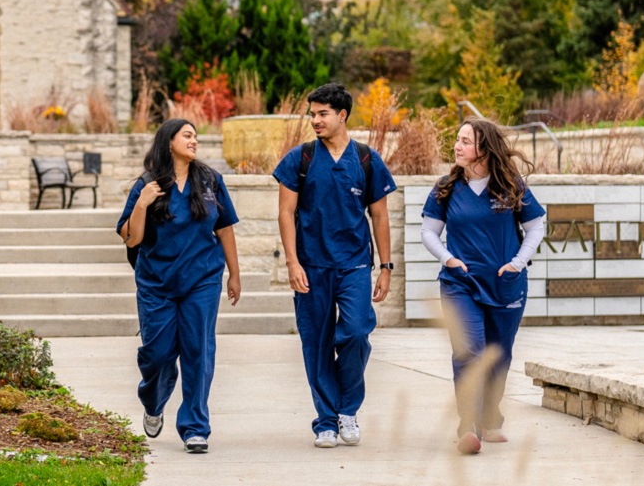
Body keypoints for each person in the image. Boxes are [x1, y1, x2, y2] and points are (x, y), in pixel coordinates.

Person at [273, 83, 396, 449]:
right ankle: (326, 421)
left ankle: (347, 410)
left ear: (342, 115)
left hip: (354, 264)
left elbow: (380, 215)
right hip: (310, 266)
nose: (315, 120)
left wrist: (386, 267)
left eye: (322, 113)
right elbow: (285, 212)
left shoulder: (366, 159)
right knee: (317, 343)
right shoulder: (302, 158)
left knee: (357, 332)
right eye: (312, 114)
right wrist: (293, 263)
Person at [420, 118, 548, 455]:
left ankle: (490, 417)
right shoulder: (446, 186)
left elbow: (536, 226)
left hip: (505, 285)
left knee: (498, 355)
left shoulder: (510, 185)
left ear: (483, 149)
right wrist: (448, 259)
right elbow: (429, 232)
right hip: (459, 284)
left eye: (464, 141)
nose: (457, 147)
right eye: (457, 140)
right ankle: (467, 425)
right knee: (469, 351)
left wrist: (517, 263)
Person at [117, 118, 243, 454]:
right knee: (157, 354)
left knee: (198, 351)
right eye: (187, 135)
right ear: (168, 141)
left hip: (201, 280)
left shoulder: (210, 180)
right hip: (156, 282)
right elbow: (132, 238)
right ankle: (154, 402)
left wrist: (234, 273)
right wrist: (142, 203)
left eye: (196, 136)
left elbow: (225, 227)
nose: (194, 141)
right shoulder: (147, 184)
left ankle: (195, 427)